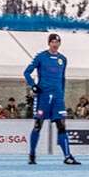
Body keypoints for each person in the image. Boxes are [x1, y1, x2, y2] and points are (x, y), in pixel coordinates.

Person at [25, 32, 78, 165]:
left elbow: (63, 78)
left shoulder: (63, 59)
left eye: (58, 42)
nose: (55, 44)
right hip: (43, 96)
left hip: (58, 98)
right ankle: (32, 154)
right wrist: (33, 86)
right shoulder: (41, 57)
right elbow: (26, 72)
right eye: (53, 42)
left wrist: (62, 94)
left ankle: (67, 156)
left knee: (61, 125)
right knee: (38, 125)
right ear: (49, 43)